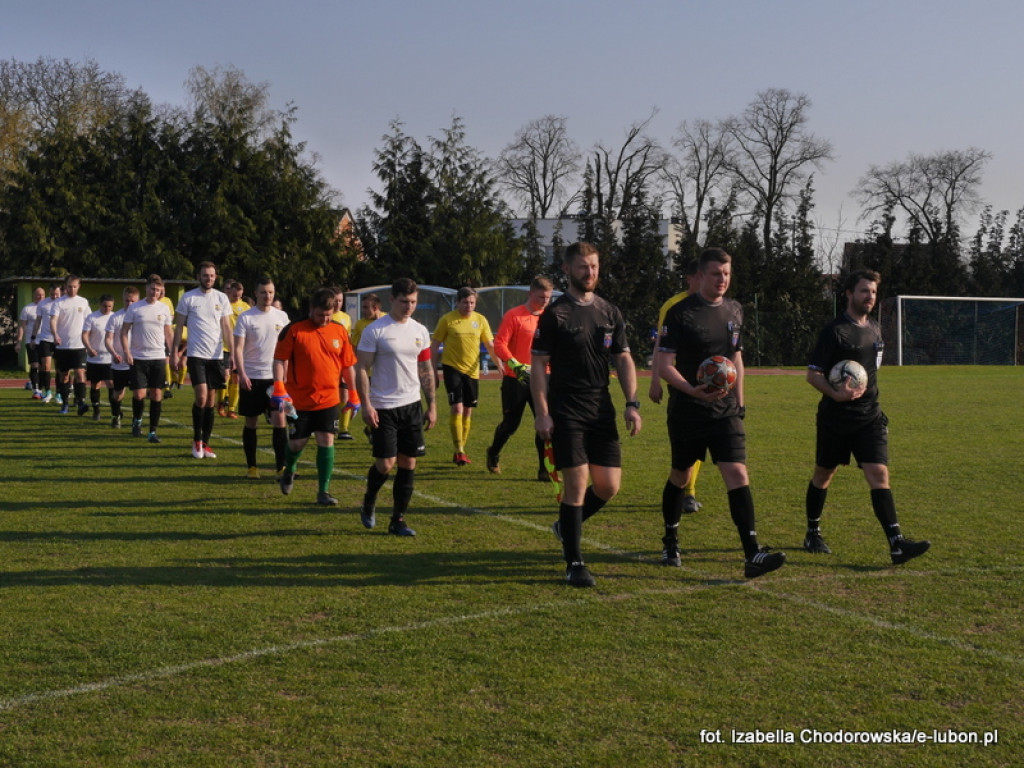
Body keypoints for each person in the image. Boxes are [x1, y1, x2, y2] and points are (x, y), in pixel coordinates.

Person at [655, 248, 786, 578]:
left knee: (738, 474)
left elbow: (735, 357)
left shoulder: (735, 310)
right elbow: (664, 365)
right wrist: (691, 390)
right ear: (701, 276)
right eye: (716, 274)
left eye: (727, 274)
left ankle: (752, 554)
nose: (722, 280)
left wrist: (740, 401)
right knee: (681, 476)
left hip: (725, 411)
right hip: (688, 410)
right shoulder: (680, 313)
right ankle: (671, 539)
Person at [532, 242, 642, 588]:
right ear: (567, 270)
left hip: (602, 408)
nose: (590, 272)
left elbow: (623, 358)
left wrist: (632, 402)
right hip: (566, 408)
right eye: (583, 267)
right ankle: (575, 562)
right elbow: (537, 364)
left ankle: (566, 526)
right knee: (576, 486)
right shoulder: (556, 313)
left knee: (609, 486)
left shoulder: (610, 312)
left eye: (594, 266)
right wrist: (542, 413)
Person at [804, 269, 931, 565]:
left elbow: (873, 371)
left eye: (873, 292)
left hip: (870, 417)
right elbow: (812, 375)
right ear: (848, 294)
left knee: (879, 474)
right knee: (824, 475)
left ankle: (897, 543)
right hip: (836, 418)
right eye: (864, 291)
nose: (869, 297)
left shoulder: (875, 328)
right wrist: (836, 394)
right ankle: (812, 532)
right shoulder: (834, 331)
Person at [355, 277, 437, 537]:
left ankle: (398, 520)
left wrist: (432, 404)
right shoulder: (375, 330)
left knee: (408, 463)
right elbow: (361, 369)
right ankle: (369, 500)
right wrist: (365, 404)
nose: (409, 306)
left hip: (411, 405)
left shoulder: (419, 331)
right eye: (404, 301)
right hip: (383, 407)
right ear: (392, 300)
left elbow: (426, 369)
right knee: (385, 464)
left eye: (413, 302)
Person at [273, 286, 357, 505]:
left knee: (326, 440)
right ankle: (289, 469)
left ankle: (323, 491)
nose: (325, 319)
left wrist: (354, 395)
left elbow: (348, 365)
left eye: (329, 315)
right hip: (299, 400)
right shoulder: (294, 330)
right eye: (320, 315)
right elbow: (280, 360)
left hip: (329, 399)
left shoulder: (339, 330)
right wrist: (279, 389)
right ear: (311, 309)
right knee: (297, 443)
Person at [649, 258, 704, 514]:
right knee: (687, 438)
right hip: (679, 381)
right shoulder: (673, 305)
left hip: (708, 382)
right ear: (690, 279)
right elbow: (660, 344)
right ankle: (686, 492)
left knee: (702, 436)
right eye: (700, 277)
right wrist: (655, 381)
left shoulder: (717, 305)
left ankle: (689, 491)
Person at [485, 276, 553, 479]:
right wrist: (515, 364)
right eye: (540, 297)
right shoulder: (514, 315)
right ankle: (494, 452)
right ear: (530, 293)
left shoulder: (550, 318)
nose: (544, 301)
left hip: (543, 377)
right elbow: (499, 344)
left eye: (548, 297)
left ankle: (543, 469)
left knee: (545, 421)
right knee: (511, 424)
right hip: (516, 378)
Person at [431, 286, 502, 466]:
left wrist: (500, 364)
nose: (468, 306)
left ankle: (461, 447)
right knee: (457, 408)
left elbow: (490, 345)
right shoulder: (447, 320)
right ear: (458, 302)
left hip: (473, 371)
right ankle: (459, 450)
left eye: (472, 302)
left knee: (468, 410)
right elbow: (434, 346)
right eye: (465, 302)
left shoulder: (480, 320)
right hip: (452, 368)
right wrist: (432, 369)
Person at [171, 261, 234, 459]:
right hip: (196, 355)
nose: (209, 279)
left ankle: (206, 444)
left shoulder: (221, 298)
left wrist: (231, 355)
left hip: (216, 357)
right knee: (201, 397)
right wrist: (174, 352)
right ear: (199, 276)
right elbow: (179, 327)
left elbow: (226, 328)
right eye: (205, 275)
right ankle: (196, 441)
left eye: (212, 276)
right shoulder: (188, 298)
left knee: (211, 401)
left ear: (216, 277)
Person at [234, 277, 291, 479]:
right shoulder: (246, 318)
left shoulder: (282, 317)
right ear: (256, 293)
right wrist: (241, 373)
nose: (267, 296)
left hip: (275, 380)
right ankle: (252, 467)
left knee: (280, 421)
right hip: (252, 377)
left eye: (271, 292)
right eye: (263, 292)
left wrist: (285, 378)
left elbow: (288, 349)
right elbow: (238, 348)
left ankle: (281, 468)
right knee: (251, 422)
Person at [120, 275, 174, 443]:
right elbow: (123, 332)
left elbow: (168, 333)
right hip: (138, 358)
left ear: (161, 291)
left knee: (157, 393)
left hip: (158, 357)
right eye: (152, 289)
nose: (155, 292)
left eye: (158, 290)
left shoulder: (164, 309)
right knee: (139, 394)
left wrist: (174, 353)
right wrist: (127, 352)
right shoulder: (135, 308)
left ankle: (153, 431)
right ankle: (137, 421)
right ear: (146, 288)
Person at [339, 293, 384, 440]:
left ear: (375, 308)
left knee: (379, 401)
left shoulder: (387, 319)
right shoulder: (360, 324)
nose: (363, 310)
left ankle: (372, 429)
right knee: (363, 399)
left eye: (366, 307)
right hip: (364, 369)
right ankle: (345, 428)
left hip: (382, 370)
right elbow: (355, 347)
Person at [49, 275, 92, 415]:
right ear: (65, 286)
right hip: (63, 346)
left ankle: (80, 402)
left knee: (80, 373)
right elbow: (53, 320)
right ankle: (65, 403)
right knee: (64, 375)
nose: (72, 289)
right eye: (69, 286)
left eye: (74, 286)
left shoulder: (83, 302)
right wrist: (55, 334)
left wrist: (89, 340)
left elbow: (89, 321)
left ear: (78, 287)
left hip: (79, 345)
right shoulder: (59, 303)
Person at [104, 285, 139, 428]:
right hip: (120, 363)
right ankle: (115, 416)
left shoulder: (141, 316)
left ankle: (136, 422)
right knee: (118, 393)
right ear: (123, 300)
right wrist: (114, 353)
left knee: (138, 393)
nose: (130, 304)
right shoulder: (115, 317)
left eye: (132, 301)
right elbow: (107, 339)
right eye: (127, 301)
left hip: (138, 362)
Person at [218, 279, 250, 418]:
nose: (237, 298)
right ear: (229, 292)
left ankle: (231, 408)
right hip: (223, 347)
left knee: (236, 378)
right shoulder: (222, 305)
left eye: (239, 295)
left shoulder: (245, 307)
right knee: (225, 376)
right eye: (235, 295)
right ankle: (221, 403)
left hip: (240, 348)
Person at [81, 293, 115, 421]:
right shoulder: (92, 317)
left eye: (110, 306)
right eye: (105, 306)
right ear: (100, 304)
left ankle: (114, 411)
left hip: (110, 358)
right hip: (95, 358)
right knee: (95, 384)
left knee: (111, 383)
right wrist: (89, 348)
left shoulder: (114, 317)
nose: (107, 309)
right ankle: (96, 411)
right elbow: (84, 335)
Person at [31, 282, 62, 403]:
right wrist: (33, 337)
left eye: (57, 294)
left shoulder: (63, 303)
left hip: (60, 340)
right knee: (46, 366)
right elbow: (38, 321)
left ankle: (59, 393)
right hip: (45, 339)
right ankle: (48, 392)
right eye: (52, 294)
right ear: (49, 293)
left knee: (60, 368)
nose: (55, 296)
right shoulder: (43, 304)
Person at [17, 286, 45, 397]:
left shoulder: (48, 307)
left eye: (42, 295)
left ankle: (42, 387)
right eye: (38, 294)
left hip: (45, 341)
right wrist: (19, 341)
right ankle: (36, 389)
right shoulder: (27, 309)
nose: (40, 297)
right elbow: (21, 326)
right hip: (31, 341)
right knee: (34, 365)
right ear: (34, 295)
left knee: (44, 367)